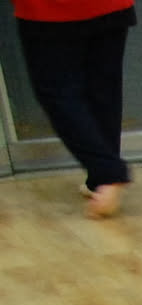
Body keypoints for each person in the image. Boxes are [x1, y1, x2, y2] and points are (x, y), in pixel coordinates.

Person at [11, 0, 135, 218]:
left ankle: (108, 172)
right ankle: (101, 180)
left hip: (49, 11)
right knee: (103, 89)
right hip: (110, 6)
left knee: (57, 93)